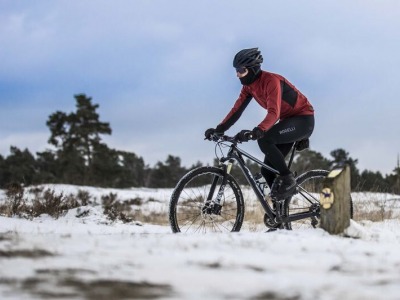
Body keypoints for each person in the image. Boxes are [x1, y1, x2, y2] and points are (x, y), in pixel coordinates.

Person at [205, 48, 315, 199]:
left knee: (265, 139)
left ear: (253, 69)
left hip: (303, 119)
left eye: (241, 70)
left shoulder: (271, 81)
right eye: (236, 70)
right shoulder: (248, 87)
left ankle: (288, 179)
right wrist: (219, 129)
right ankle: (279, 214)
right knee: (267, 171)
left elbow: (273, 112)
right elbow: (236, 110)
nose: (237, 74)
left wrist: (259, 130)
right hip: (287, 122)